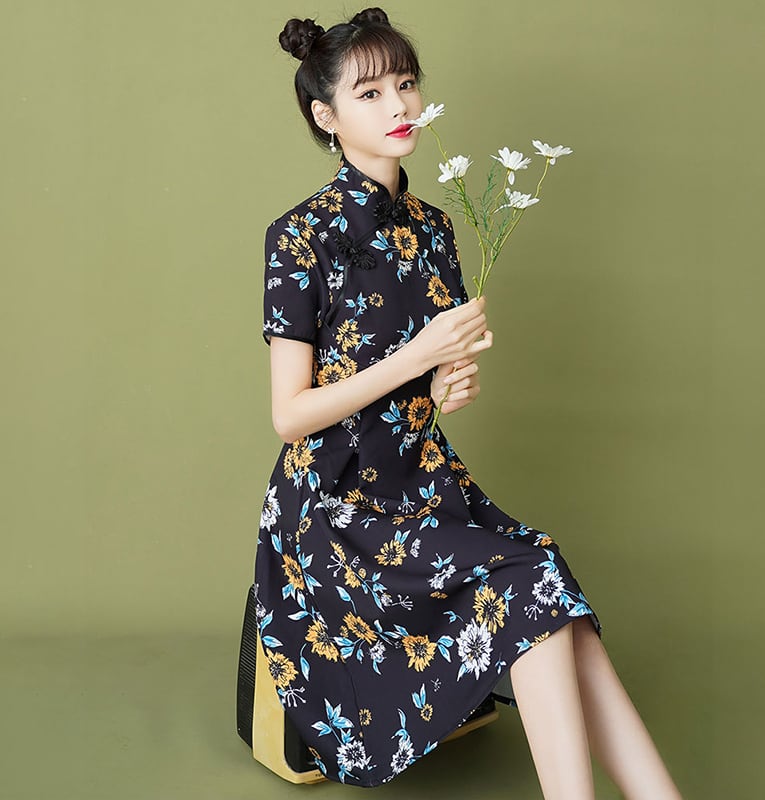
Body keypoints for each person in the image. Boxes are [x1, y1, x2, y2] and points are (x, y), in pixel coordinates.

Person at [254, 8, 683, 798]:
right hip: (336, 509)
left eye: (406, 84)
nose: (399, 106)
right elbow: (290, 416)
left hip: (425, 486)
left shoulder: (437, 229)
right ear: (326, 116)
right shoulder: (300, 236)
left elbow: (426, 395)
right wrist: (414, 359)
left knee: (548, 590)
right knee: (532, 578)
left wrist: (443, 387)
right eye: (371, 93)